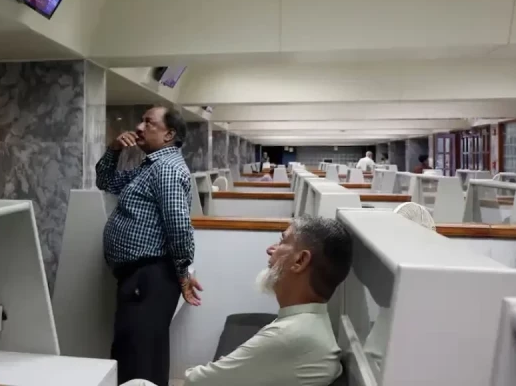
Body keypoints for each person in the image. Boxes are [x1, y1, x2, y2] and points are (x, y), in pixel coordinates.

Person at [123, 217, 352, 386]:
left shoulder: (292, 335)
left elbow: (197, 382)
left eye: (282, 241)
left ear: (300, 261)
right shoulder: (307, 323)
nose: (270, 249)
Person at [96, 106, 201, 386]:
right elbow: (105, 181)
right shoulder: (151, 166)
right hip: (140, 276)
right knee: (139, 351)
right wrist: (114, 150)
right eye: (141, 121)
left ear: (169, 134)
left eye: (148, 123)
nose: (139, 128)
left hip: (149, 276)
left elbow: (179, 225)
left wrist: (182, 273)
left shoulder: (166, 169)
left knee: (138, 357)